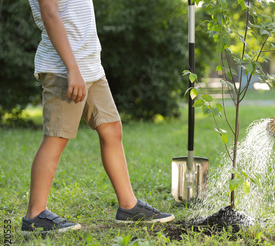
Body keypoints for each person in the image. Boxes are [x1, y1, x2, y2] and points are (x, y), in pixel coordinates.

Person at [22, 0, 174, 233]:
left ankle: (128, 206)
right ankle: (35, 215)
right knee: (57, 137)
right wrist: (72, 69)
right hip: (65, 68)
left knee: (111, 129)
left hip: (91, 67)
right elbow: (50, 14)